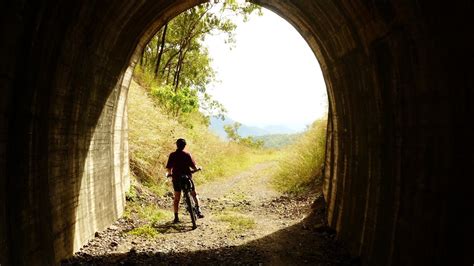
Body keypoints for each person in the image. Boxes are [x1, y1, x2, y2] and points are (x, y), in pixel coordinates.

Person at [166, 138, 204, 223]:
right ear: (184, 146)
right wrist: (197, 169)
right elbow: (194, 167)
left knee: (177, 198)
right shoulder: (187, 154)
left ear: (177, 145)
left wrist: (169, 173)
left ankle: (176, 217)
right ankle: (199, 210)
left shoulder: (172, 155)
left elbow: (169, 168)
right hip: (187, 177)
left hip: (176, 178)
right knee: (194, 194)